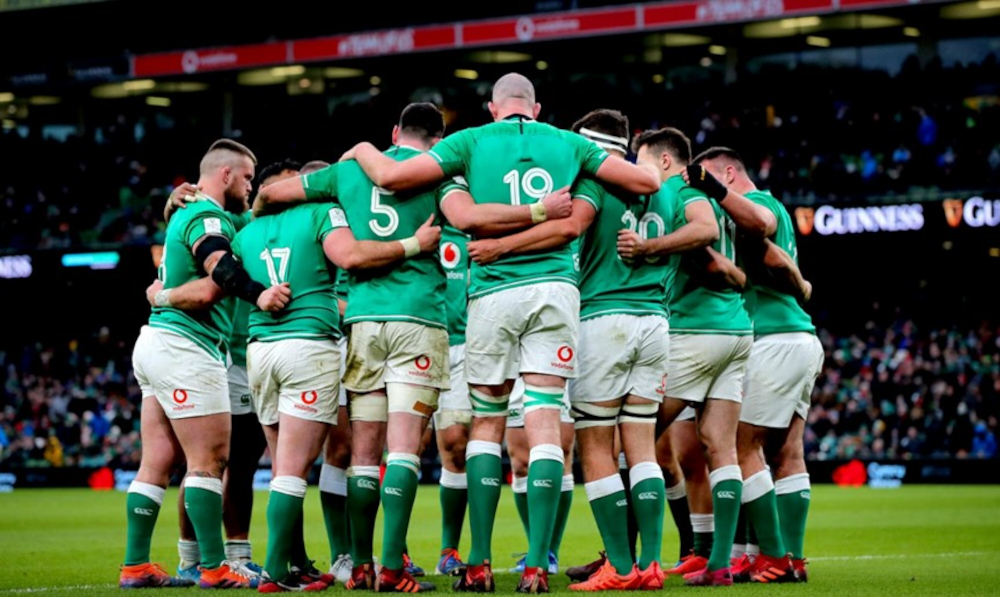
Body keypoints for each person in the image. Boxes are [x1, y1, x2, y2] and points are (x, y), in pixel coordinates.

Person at [343, 72, 660, 594]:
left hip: (492, 295)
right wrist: (581, 179)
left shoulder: (468, 141)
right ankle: (537, 563)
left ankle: (480, 559)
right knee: (542, 423)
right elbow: (647, 182)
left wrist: (360, 150)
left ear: (493, 107)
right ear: (537, 107)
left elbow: (398, 182)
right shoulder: (570, 143)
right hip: (556, 291)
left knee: (487, 424)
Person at [232, 154, 440, 591]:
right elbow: (349, 257)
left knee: (283, 465)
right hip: (309, 345)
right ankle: (277, 572)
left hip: (258, 352)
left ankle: (299, 561)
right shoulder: (320, 214)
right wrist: (413, 244)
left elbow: (221, 279)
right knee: (295, 469)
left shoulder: (245, 233)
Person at [121, 139, 289, 590]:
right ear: (227, 175)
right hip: (186, 348)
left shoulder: (197, 212)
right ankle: (213, 566)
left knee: (158, 461)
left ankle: (136, 564)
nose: (252, 187)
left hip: (156, 344)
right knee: (209, 461)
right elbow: (215, 274)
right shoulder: (207, 216)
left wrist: (168, 207)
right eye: (249, 178)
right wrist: (258, 294)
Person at [617, 128, 752, 587]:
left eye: (643, 160)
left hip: (693, 332)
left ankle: (625, 559)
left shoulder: (676, 189)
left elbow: (705, 238)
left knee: (630, 437)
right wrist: (733, 273)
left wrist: (648, 248)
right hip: (735, 332)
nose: (639, 169)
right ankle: (718, 565)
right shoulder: (710, 195)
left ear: (667, 161)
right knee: (722, 445)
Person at [693, 146, 820, 583]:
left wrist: (800, 283)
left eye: (710, 180)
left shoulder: (758, 207)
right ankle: (790, 558)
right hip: (800, 338)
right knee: (787, 452)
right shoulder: (772, 206)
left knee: (742, 447)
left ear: (729, 173)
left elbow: (770, 252)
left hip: (772, 339)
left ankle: (774, 557)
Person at [433, 221, 472, 577]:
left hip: (469, 346)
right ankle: (395, 552)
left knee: (457, 443)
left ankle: (450, 549)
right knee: (402, 449)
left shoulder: (479, 224)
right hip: (419, 338)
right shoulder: (417, 220)